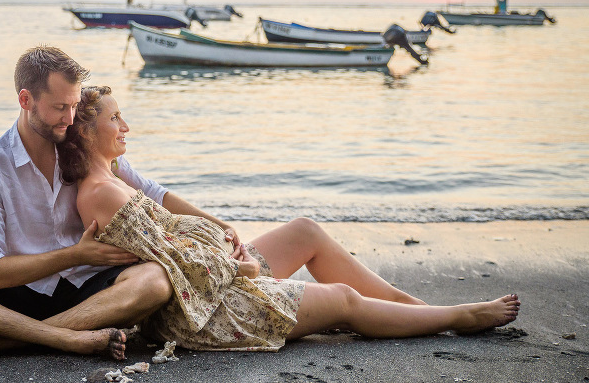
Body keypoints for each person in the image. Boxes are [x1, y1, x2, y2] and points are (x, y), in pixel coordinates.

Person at [58, 85, 521, 352]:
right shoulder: (99, 194)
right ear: (85, 130)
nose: (126, 126)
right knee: (342, 299)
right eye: (116, 118)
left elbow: (167, 208)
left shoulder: (117, 171)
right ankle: (461, 314)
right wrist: (242, 265)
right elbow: (173, 271)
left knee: (304, 231)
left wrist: (224, 233)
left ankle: (414, 309)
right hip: (201, 312)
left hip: (217, 276)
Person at [0, 46, 238, 361]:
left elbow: (152, 191)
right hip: (14, 293)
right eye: (60, 107)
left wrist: (222, 226)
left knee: (155, 281)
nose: (70, 117)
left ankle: (10, 339)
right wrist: (75, 254)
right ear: (25, 99)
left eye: (74, 105)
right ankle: (65, 338)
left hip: (89, 292)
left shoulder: (81, 146)